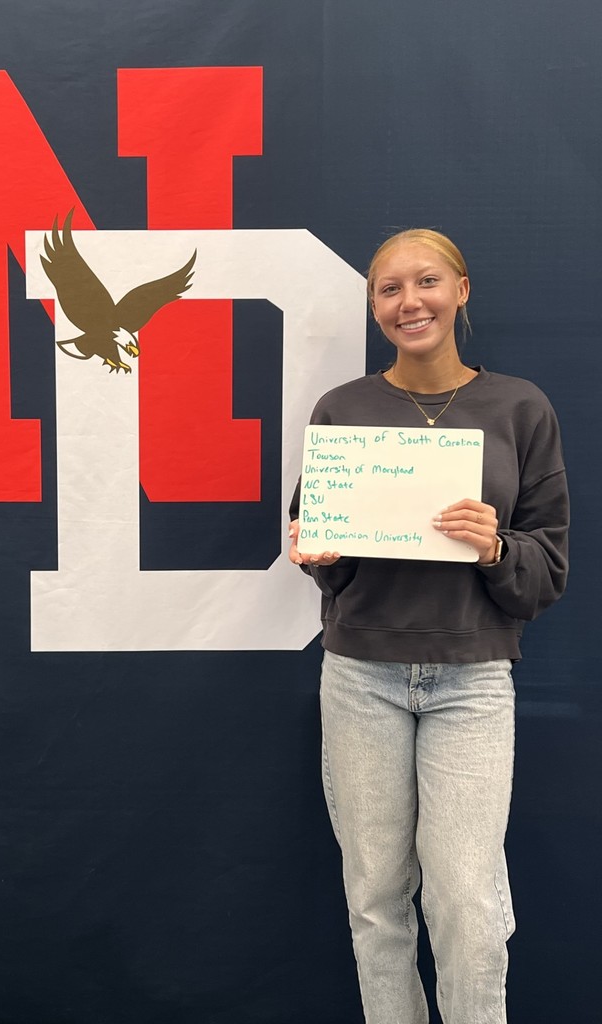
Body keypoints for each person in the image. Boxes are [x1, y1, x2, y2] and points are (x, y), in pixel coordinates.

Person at [288, 228, 569, 1024]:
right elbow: (327, 558)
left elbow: (547, 569)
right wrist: (316, 552)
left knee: (468, 907)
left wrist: (495, 547)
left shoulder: (520, 408)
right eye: (389, 289)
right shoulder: (343, 409)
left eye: (427, 282)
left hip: (472, 681)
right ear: (374, 305)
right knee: (376, 901)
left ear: (461, 290)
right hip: (361, 678)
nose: (409, 302)